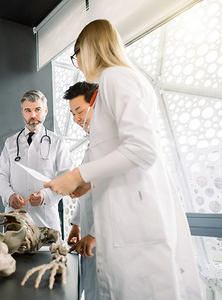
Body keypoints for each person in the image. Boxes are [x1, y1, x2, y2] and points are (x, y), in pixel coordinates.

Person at [44, 19, 201, 299]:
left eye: (76, 54)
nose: (77, 61)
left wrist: (77, 175)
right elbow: (122, 154)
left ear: (89, 49)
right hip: (126, 218)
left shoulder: (116, 77)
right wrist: (88, 184)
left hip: (133, 221)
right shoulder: (117, 81)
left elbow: (142, 149)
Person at [0, 90, 73, 231]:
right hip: (15, 220)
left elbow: (66, 178)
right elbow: (1, 176)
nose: (33, 115)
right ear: (22, 112)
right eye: (28, 110)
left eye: (37, 110)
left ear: (46, 110)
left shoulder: (57, 142)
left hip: (46, 222)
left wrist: (45, 196)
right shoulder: (10, 142)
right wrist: (9, 195)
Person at [64, 81, 99, 300]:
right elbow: (88, 190)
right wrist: (77, 223)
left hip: (103, 236)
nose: (76, 119)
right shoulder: (93, 143)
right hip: (88, 229)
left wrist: (95, 232)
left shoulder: (111, 143)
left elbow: (115, 194)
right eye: (72, 113)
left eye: (79, 111)